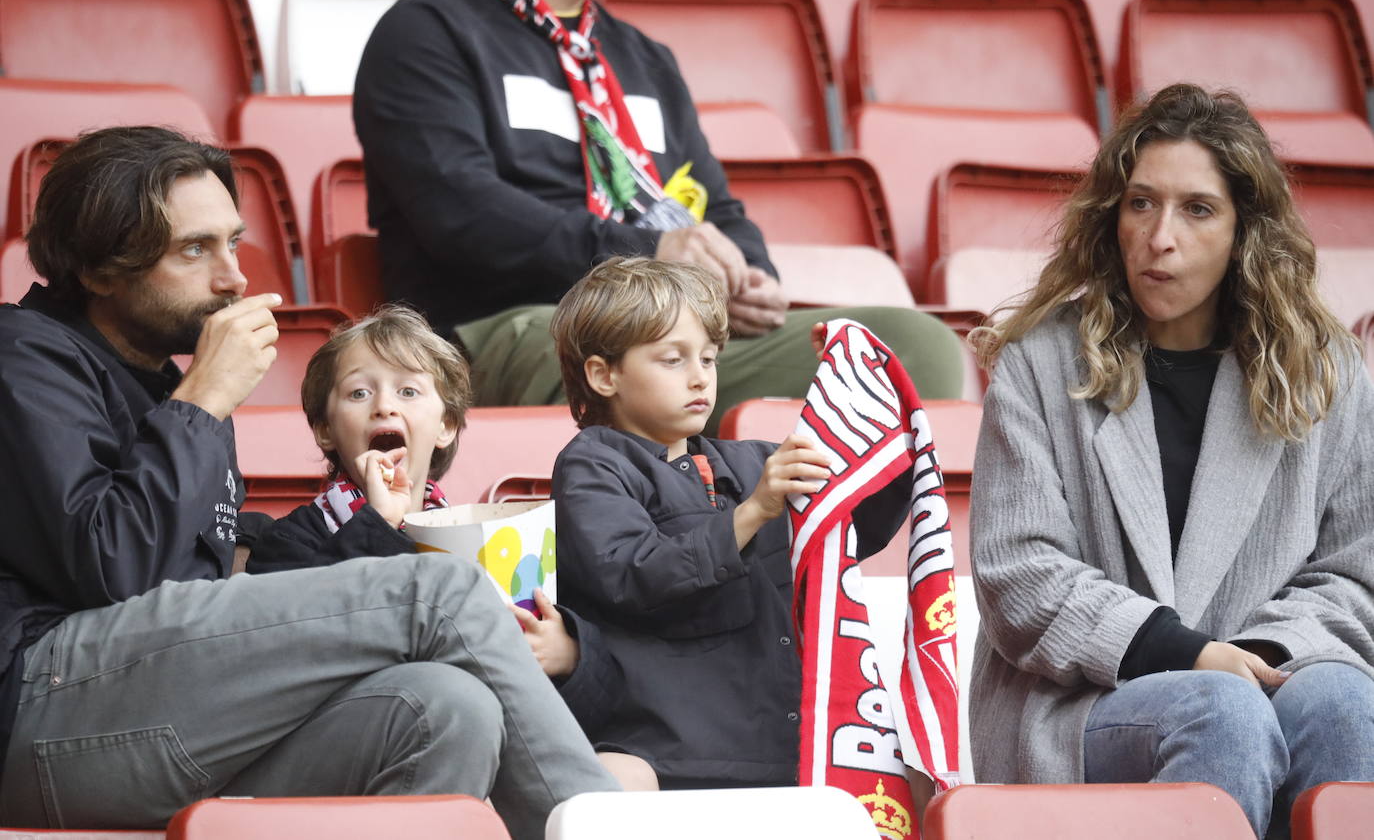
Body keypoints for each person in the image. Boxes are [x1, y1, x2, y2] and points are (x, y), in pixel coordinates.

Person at [0, 126, 617, 838]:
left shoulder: (169, 385)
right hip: (40, 710)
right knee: (439, 587)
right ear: (100, 268)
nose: (234, 277)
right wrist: (201, 401)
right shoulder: (25, 357)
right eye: (194, 250)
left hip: (150, 707)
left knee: (446, 707)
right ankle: (605, 830)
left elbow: (199, 566)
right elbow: (115, 571)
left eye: (233, 243)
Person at [352, 0, 964, 433]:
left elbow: (717, 210)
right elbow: (464, 216)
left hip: (669, 328)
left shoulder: (644, 58)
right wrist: (649, 257)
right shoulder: (425, 34)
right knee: (654, 365)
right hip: (518, 328)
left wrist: (746, 276)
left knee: (906, 346)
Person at [966, 83, 1374, 838]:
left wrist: (1245, 658)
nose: (1160, 238)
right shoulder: (1039, 363)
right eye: (1141, 203)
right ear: (1112, 217)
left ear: (1244, 230)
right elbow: (1018, 574)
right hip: (1075, 707)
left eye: (1198, 209)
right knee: (1222, 713)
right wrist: (1186, 655)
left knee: (1347, 703)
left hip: (1270, 668)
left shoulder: (1328, 372)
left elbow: (1357, 574)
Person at [547, 257, 907, 789]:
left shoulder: (750, 460)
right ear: (604, 375)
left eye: (710, 359)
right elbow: (631, 573)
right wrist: (752, 513)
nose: (700, 377)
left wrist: (871, 416)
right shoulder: (593, 464)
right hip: (664, 751)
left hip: (786, 747)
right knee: (609, 786)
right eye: (673, 359)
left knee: (914, 779)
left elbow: (854, 528)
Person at [243, 304, 626, 745]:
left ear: (445, 425)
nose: (384, 406)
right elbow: (299, 652)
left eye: (408, 391)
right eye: (358, 394)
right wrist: (378, 526)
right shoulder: (291, 542)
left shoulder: (487, 539)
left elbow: (590, 711)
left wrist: (570, 656)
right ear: (325, 430)